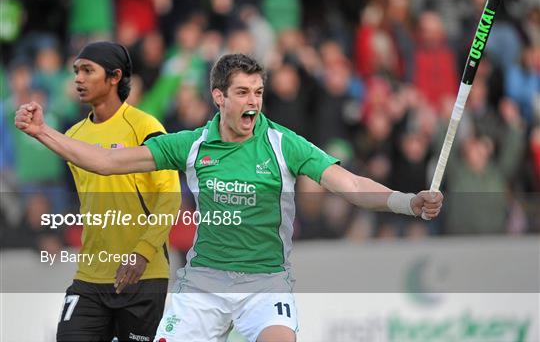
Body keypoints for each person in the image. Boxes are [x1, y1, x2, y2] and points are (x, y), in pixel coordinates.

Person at [15, 53, 442, 342]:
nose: (253, 102)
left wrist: (407, 201)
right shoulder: (192, 146)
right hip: (204, 282)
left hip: (265, 282)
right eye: (242, 93)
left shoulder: (282, 143)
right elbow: (105, 162)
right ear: (219, 97)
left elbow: (349, 185)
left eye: (258, 92)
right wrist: (42, 132)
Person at [36, 41, 180, 342]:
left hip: (143, 277)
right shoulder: (73, 137)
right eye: (76, 71)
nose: (78, 78)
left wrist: (141, 253)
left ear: (115, 77)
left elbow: (170, 197)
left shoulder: (145, 127)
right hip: (90, 277)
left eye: (88, 70)